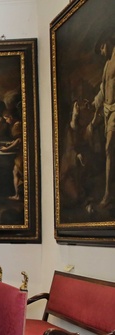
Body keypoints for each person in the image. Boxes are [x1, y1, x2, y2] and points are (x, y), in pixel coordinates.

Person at [91, 31, 115, 207]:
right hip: (107, 110)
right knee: (109, 150)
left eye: (101, 47)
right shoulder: (107, 63)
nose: (101, 51)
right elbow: (103, 88)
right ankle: (109, 192)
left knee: (108, 147)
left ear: (106, 42)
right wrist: (94, 103)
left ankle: (108, 194)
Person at [0, 109, 24, 200]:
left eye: (6, 119)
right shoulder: (19, 124)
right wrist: (12, 142)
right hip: (21, 152)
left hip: (21, 154)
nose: (6, 121)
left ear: (11, 117)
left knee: (18, 172)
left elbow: (19, 140)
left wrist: (7, 149)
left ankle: (18, 195)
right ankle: (18, 195)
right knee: (16, 172)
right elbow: (18, 139)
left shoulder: (17, 125)